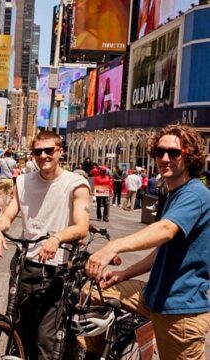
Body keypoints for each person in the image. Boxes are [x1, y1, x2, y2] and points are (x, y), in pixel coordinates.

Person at [86, 124, 210, 360]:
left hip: (179, 311)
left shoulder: (195, 194)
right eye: (159, 152)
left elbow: (164, 230)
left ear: (190, 156)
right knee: (94, 290)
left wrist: (114, 246)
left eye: (174, 153)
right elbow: (161, 250)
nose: (165, 158)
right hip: (153, 295)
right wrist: (124, 274)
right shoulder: (174, 192)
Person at [0, 131, 91, 360]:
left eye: (49, 151)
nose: (43, 156)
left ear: (60, 152)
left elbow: (82, 227)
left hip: (57, 271)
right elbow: (8, 215)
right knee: (18, 334)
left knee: (47, 340)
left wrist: (56, 238)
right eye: (38, 152)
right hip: (25, 266)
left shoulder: (76, 183)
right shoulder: (23, 181)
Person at [0, 150, 17, 215]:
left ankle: (1, 212)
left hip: (2, 179)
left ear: (5, 154)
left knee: (1, 196)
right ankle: (6, 212)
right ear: (11, 155)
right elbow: (14, 168)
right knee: (8, 196)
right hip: (10, 179)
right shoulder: (14, 161)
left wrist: (2, 152)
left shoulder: (2, 160)